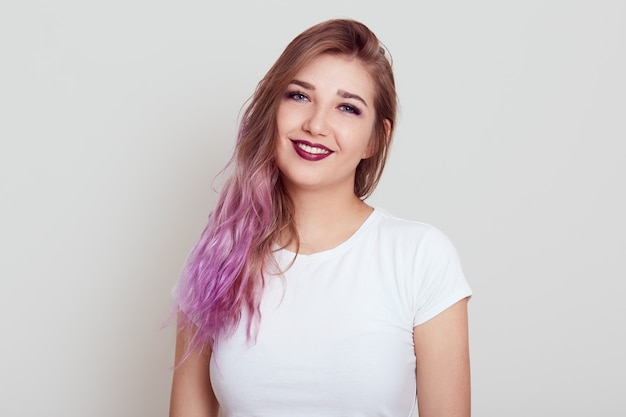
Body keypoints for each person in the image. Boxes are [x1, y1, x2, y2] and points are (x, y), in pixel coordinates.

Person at [169, 18, 472, 417]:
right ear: (272, 109)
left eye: (347, 108)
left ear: (375, 139)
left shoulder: (420, 257)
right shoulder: (218, 257)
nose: (315, 125)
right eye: (299, 96)